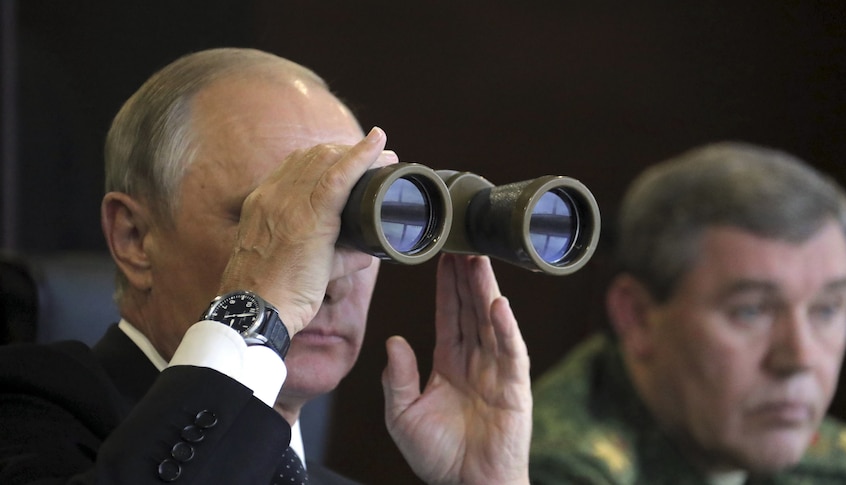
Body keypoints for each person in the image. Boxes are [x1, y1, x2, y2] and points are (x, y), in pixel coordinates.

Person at [0, 48, 531, 484]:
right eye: (278, 222)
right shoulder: (25, 418)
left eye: (357, 229)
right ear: (134, 237)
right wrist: (259, 314)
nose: (330, 281)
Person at [530, 142, 846, 484]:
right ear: (638, 317)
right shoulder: (559, 471)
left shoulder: (841, 468)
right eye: (751, 311)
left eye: (826, 310)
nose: (799, 357)